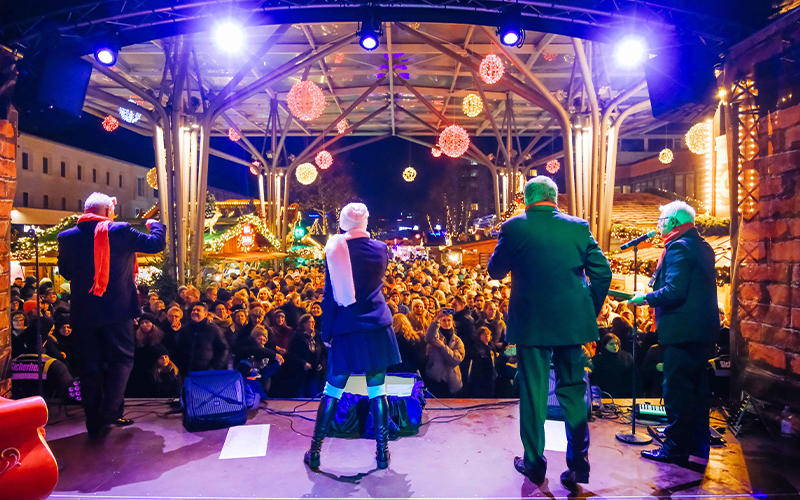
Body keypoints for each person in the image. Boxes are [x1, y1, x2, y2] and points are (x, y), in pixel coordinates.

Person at [487, 176, 611, 489]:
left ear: (527, 200)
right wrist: (588, 310)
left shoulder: (515, 227)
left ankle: (534, 463)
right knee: (573, 390)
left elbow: (495, 271)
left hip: (531, 325)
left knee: (534, 393)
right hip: (572, 325)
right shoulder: (578, 226)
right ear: (555, 199)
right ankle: (578, 463)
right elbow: (602, 272)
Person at [57, 192, 166, 436]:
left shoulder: (66, 237)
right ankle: (109, 413)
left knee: (90, 367)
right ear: (107, 211)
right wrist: (156, 225)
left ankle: (95, 420)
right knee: (122, 360)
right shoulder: (120, 231)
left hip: (84, 313)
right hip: (117, 311)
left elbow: (65, 272)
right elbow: (156, 244)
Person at [304, 202, 401, 471]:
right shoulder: (381, 249)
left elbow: (329, 296)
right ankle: (382, 453)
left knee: (332, 391)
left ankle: (315, 451)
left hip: (347, 328)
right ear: (366, 221)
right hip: (376, 325)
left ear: (343, 222)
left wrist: (326, 332)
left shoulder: (334, 249)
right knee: (377, 391)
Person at [629, 201, 719, 464]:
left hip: (682, 332)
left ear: (673, 223)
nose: (659, 225)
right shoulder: (702, 246)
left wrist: (645, 297)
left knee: (677, 391)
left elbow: (674, 291)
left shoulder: (678, 247)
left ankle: (675, 448)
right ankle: (698, 445)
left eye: (663, 221)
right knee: (698, 390)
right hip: (702, 332)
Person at [177, 302, 230, 374]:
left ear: (205, 314)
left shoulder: (214, 330)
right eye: (193, 310)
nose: (194, 312)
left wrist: (215, 367)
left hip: (206, 372)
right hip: (186, 372)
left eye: (198, 310)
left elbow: (224, 349)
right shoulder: (185, 329)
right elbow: (178, 347)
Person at [424, 309, 465, 397]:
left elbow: (457, 359)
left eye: (449, 320)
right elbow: (428, 337)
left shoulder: (457, 340)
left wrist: (443, 347)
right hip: (436, 378)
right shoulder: (436, 337)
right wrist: (436, 320)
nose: (447, 323)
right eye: (444, 320)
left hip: (452, 380)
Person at [589, 333, 638, 398]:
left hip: (624, 395)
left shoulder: (627, 357)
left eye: (617, 343)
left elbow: (634, 376)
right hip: (604, 395)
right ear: (605, 345)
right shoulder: (597, 359)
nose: (615, 346)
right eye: (611, 344)